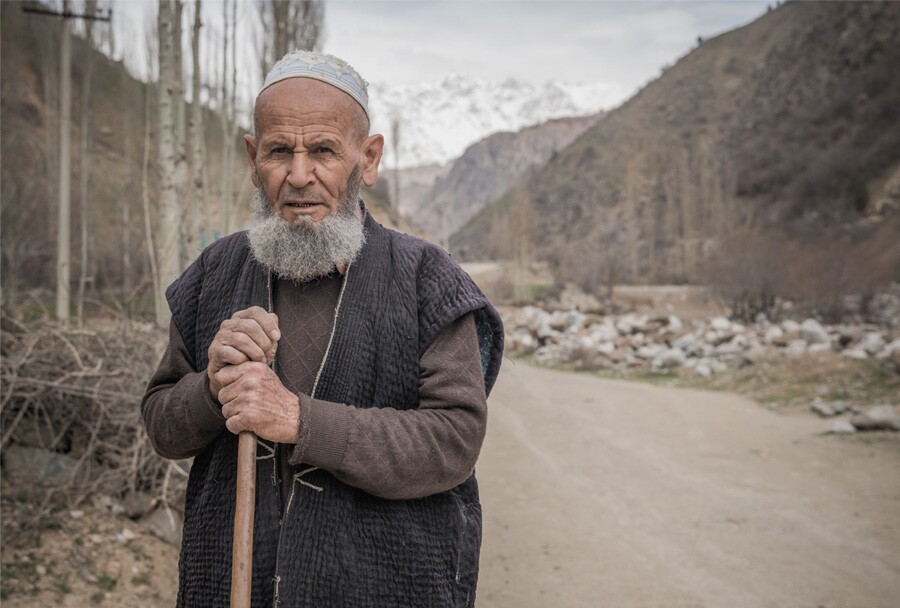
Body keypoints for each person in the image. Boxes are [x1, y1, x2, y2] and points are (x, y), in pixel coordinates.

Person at [141, 50, 503, 608]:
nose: (299, 174)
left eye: (325, 151)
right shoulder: (214, 273)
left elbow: (453, 441)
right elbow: (163, 425)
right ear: (252, 157)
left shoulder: (427, 279)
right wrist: (212, 386)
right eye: (278, 151)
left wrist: (297, 420)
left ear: (369, 158)